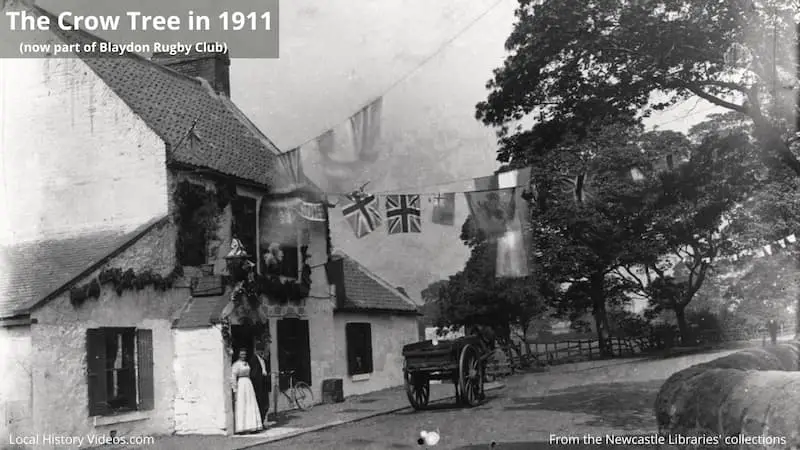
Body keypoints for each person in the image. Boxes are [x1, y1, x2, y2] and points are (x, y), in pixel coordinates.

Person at [231, 349, 263, 434]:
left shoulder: (247, 363)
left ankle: (252, 426)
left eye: (244, 354)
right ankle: (242, 427)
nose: (243, 356)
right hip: (241, 384)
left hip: (248, 384)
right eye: (241, 354)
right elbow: (233, 377)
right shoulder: (236, 365)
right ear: (238, 355)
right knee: (242, 404)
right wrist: (235, 389)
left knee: (250, 403)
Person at [249, 347, 270, 426]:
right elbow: (253, 373)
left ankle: (262, 421)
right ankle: (259, 423)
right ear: (256, 351)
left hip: (264, 383)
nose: (261, 352)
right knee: (260, 403)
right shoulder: (253, 360)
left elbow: (265, 370)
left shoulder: (264, 360)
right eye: (259, 350)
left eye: (262, 350)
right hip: (258, 384)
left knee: (266, 404)